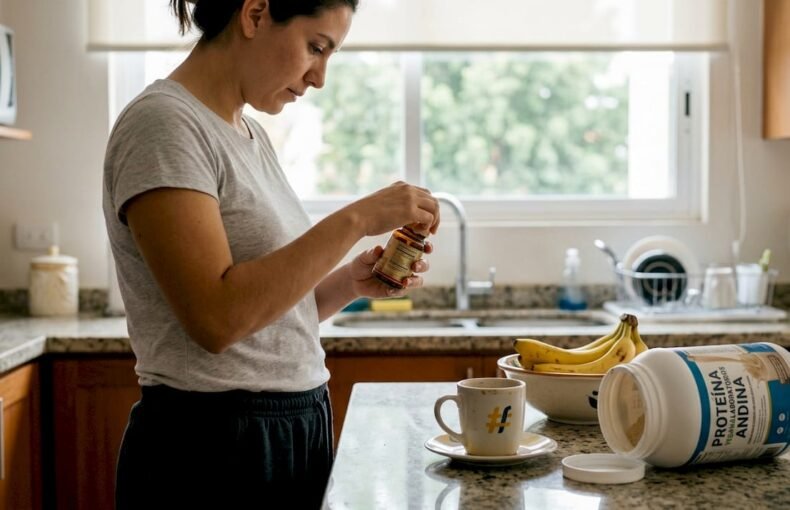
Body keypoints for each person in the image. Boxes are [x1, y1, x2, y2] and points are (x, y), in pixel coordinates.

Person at [102, 0, 440, 508]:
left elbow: (265, 317)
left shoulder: (249, 134)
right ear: (255, 15)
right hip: (210, 446)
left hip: (291, 428)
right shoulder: (163, 125)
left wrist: (348, 284)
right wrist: (355, 220)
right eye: (316, 47)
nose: (319, 77)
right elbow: (217, 319)